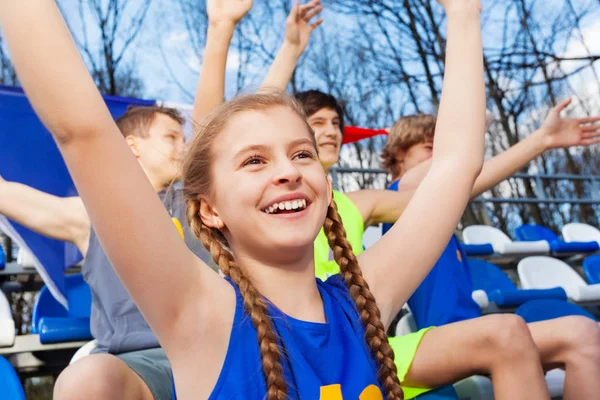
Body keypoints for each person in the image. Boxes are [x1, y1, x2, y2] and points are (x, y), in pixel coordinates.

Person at [2, 1, 549, 399]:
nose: (288, 172)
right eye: (255, 161)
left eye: (301, 155)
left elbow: (455, 165)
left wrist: (464, 15)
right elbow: (83, 130)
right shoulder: (200, 319)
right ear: (209, 209)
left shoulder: (363, 302)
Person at [380, 111, 600, 400]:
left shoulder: (441, 215)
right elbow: (454, 168)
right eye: (430, 148)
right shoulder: (400, 194)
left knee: (583, 335)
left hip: (473, 330)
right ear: (398, 154)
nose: (440, 157)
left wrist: (542, 140)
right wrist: (536, 138)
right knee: (580, 334)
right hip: (443, 337)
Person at [0, 105, 213, 400]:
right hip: (140, 363)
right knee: (85, 382)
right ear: (133, 146)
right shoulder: (95, 214)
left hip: (216, 351)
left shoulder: (206, 205)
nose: (184, 146)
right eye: (171, 137)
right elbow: (4, 192)